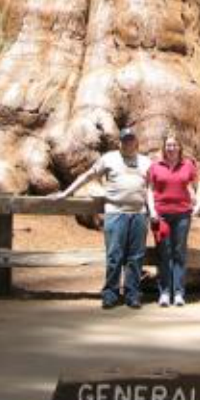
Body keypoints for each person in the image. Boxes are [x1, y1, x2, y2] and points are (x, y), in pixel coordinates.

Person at [55, 127, 150, 310]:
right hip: (115, 213)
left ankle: (132, 294)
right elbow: (88, 175)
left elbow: (156, 186)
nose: (128, 143)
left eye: (131, 140)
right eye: (125, 140)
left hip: (138, 214)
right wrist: (66, 193)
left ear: (136, 142)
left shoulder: (145, 162)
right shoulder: (109, 158)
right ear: (120, 142)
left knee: (135, 257)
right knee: (114, 255)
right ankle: (110, 294)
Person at [147, 131, 200, 307]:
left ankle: (178, 293)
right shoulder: (156, 166)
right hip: (161, 215)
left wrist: (198, 204)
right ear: (164, 148)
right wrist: (152, 210)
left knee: (179, 252)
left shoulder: (188, 165)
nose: (171, 148)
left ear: (179, 148)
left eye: (174, 145)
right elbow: (150, 189)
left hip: (182, 215)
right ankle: (164, 292)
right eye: (168, 145)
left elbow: (197, 186)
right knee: (164, 252)